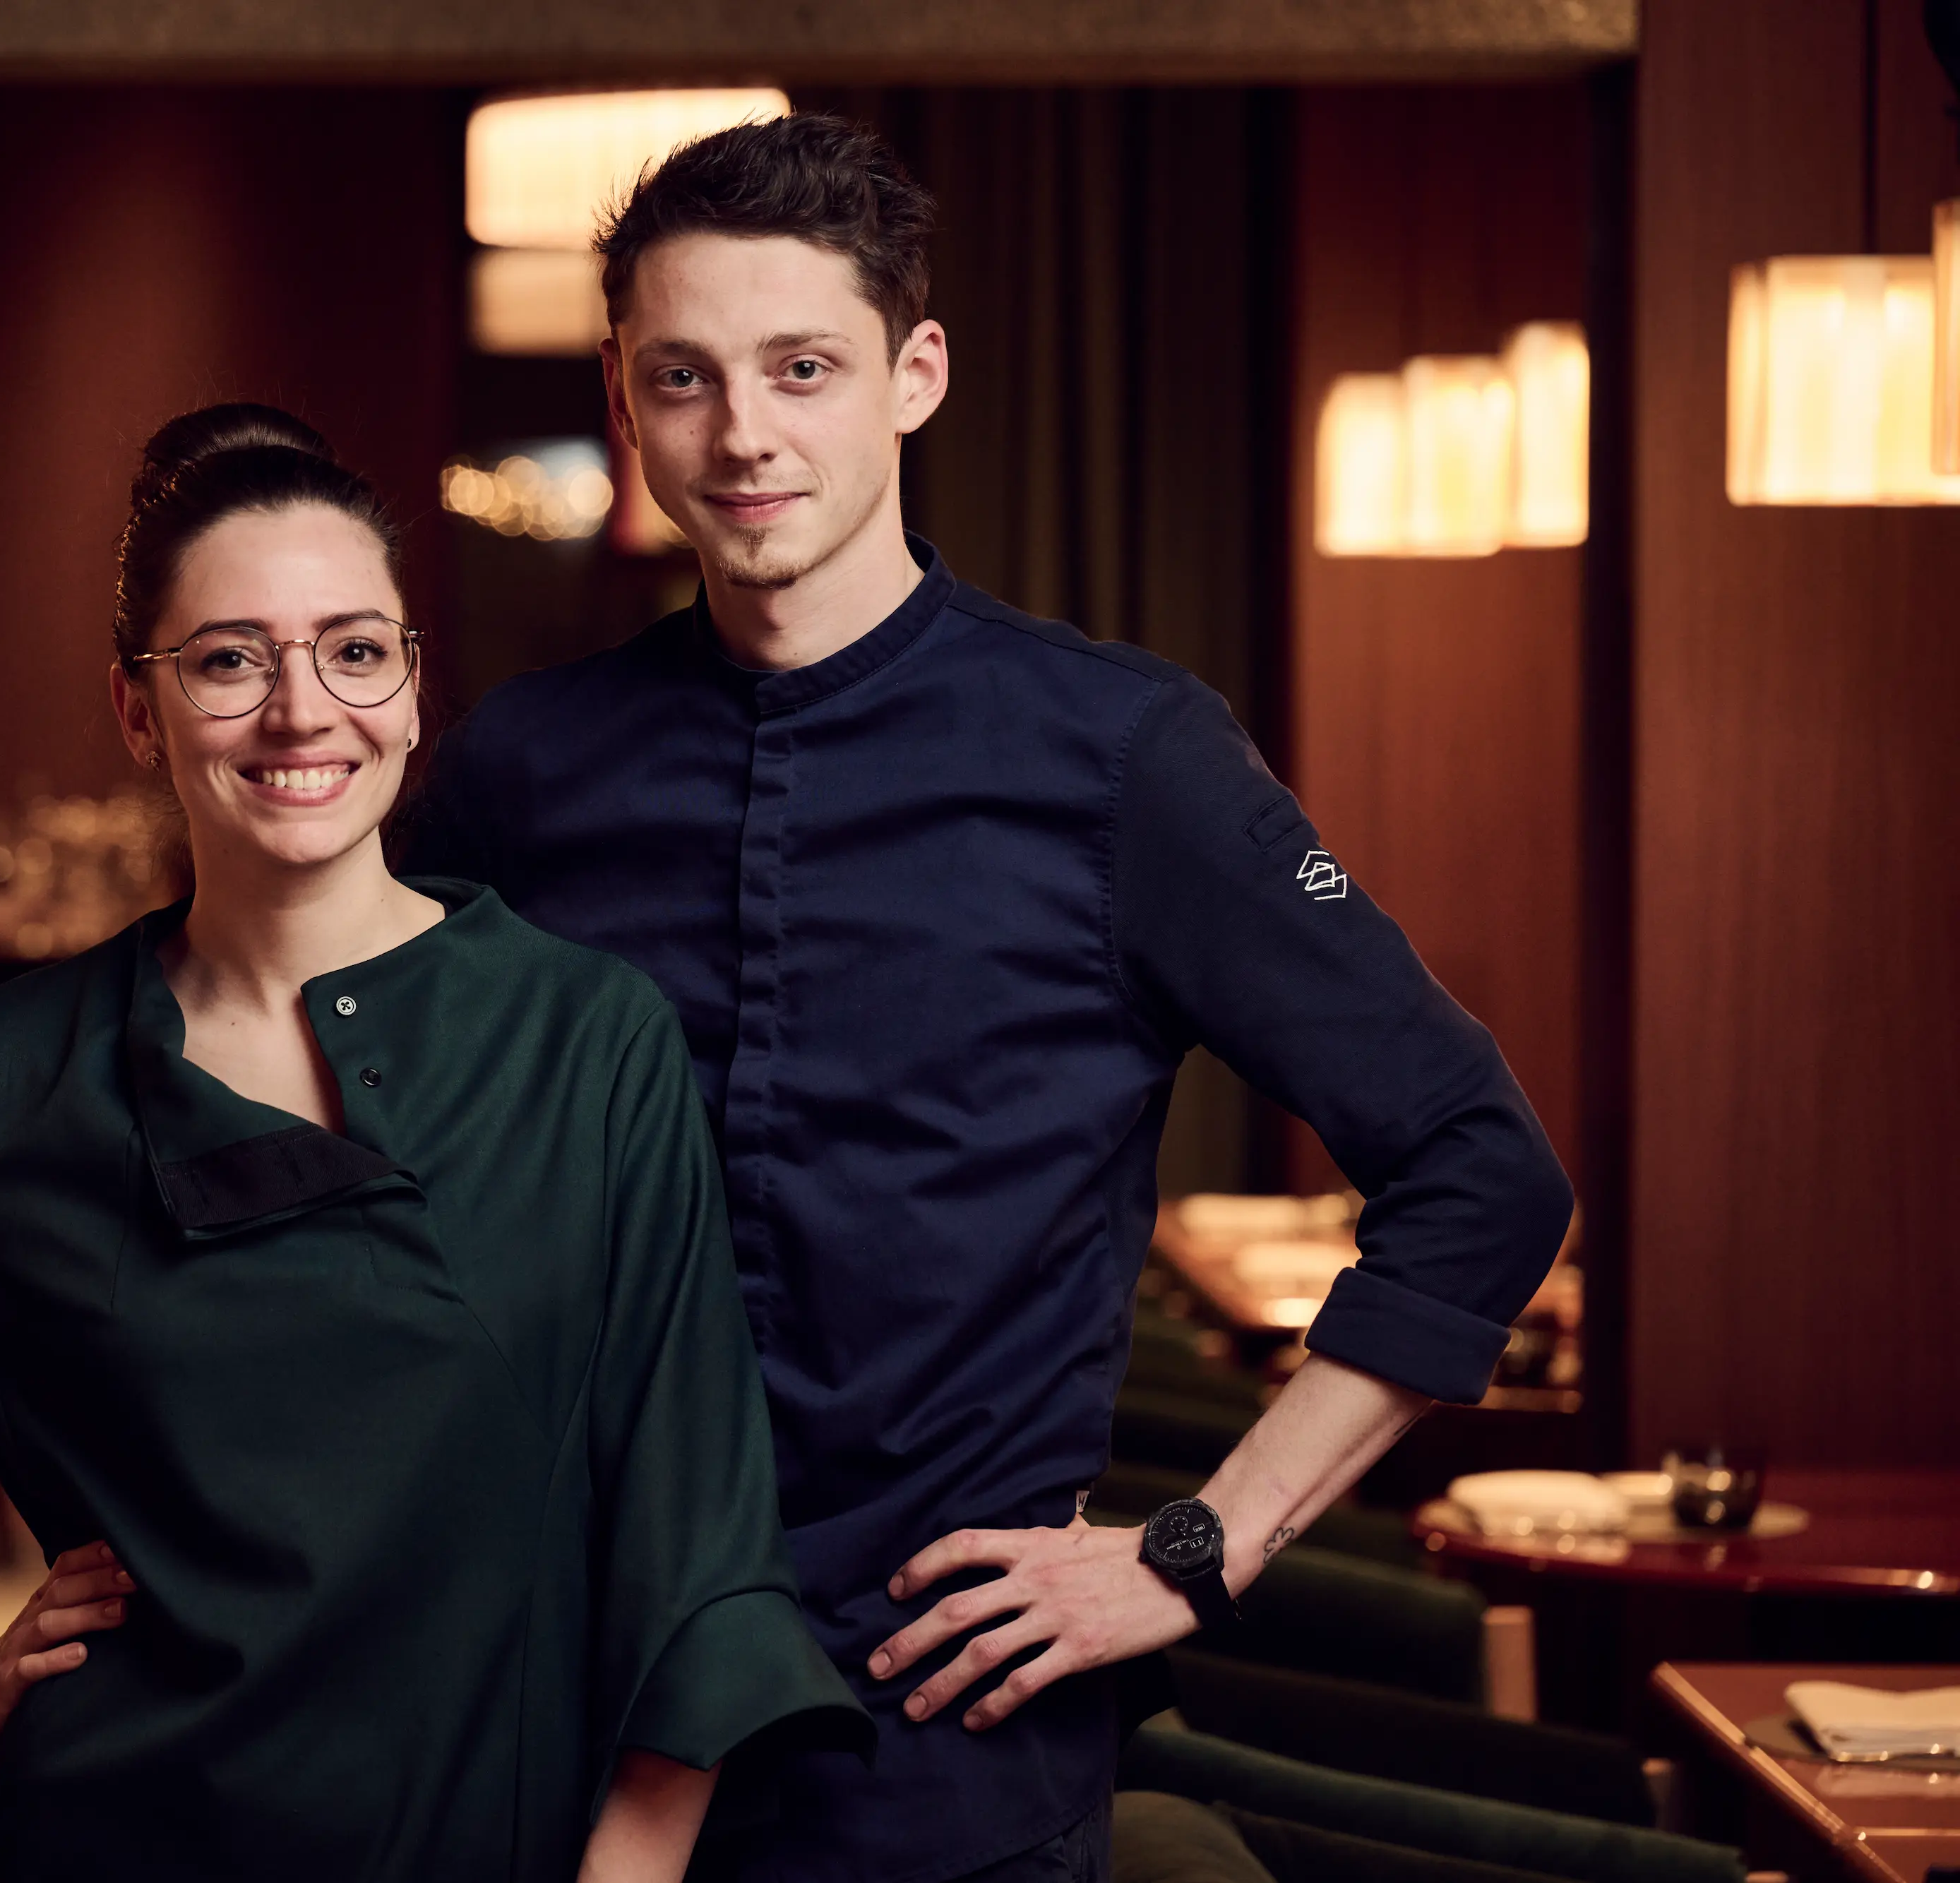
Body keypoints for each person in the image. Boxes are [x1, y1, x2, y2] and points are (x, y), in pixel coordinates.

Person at [405, 116, 1575, 1883]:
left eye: (802, 367)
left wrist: (1194, 1546)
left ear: (913, 375)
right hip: (555, 1728)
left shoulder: (1123, 756)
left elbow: (1482, 1173)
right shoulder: (522, 767)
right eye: (683, 376)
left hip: (938, 1757)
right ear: (624, 398)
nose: (742, 435)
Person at [0, 404, 868, 1883]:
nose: (302, 711)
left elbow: (694, 1548)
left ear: (413, 688)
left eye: (353, 649)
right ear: (138, 709)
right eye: (230, 660)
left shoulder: (587, 1040)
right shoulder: (21, 1072)